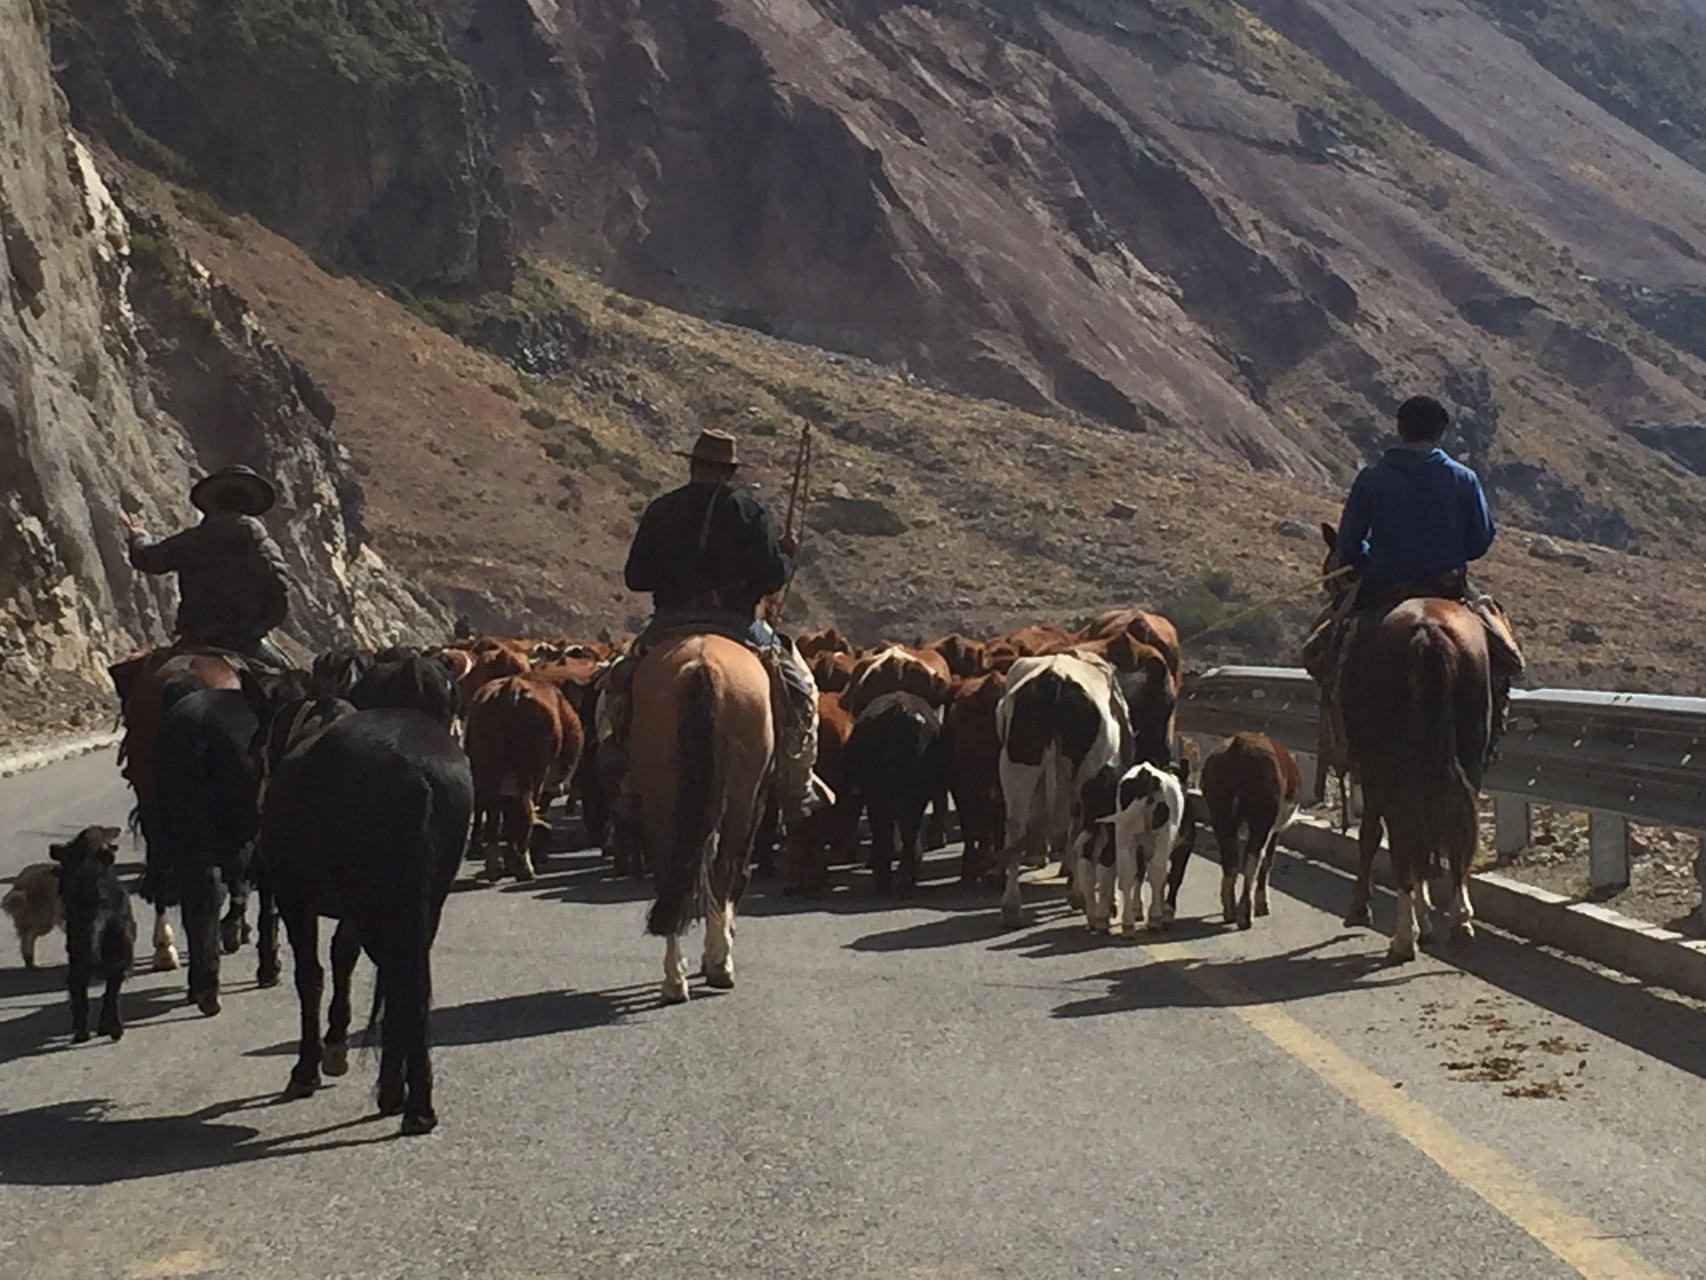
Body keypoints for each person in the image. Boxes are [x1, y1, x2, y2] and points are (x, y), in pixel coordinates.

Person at [604, 428, 830, 826]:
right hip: (737, 624)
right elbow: (770, 577)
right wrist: (786, 555)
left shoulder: (661, 510)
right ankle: (798, 784)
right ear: (728, 471)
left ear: (692, 465)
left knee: (615, 685)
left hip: (670, 623)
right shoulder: (748, 510)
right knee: (800, 690)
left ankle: (625, 771)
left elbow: (635, 578)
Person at [1304, 395, 1525, 750]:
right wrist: (1449, 554)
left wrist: (1369, 561)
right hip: (1448, 587)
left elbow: (1348, 545)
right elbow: (1480, 539)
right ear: (1441, 432)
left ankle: (1345, 742)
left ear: (1400, 429)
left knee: (1320, 653)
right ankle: (1491, 732)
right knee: (1504, 656)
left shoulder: (1372, 480)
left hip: (1383, 590)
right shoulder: (1463, 479)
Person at [125, 465, 292, 667]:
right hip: (246, 642)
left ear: (214, 504)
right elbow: (279, 604)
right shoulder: (267, 549)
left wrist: (139, 536)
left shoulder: (193, 540)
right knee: (291, 685)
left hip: (198, 636)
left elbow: (148, 559)